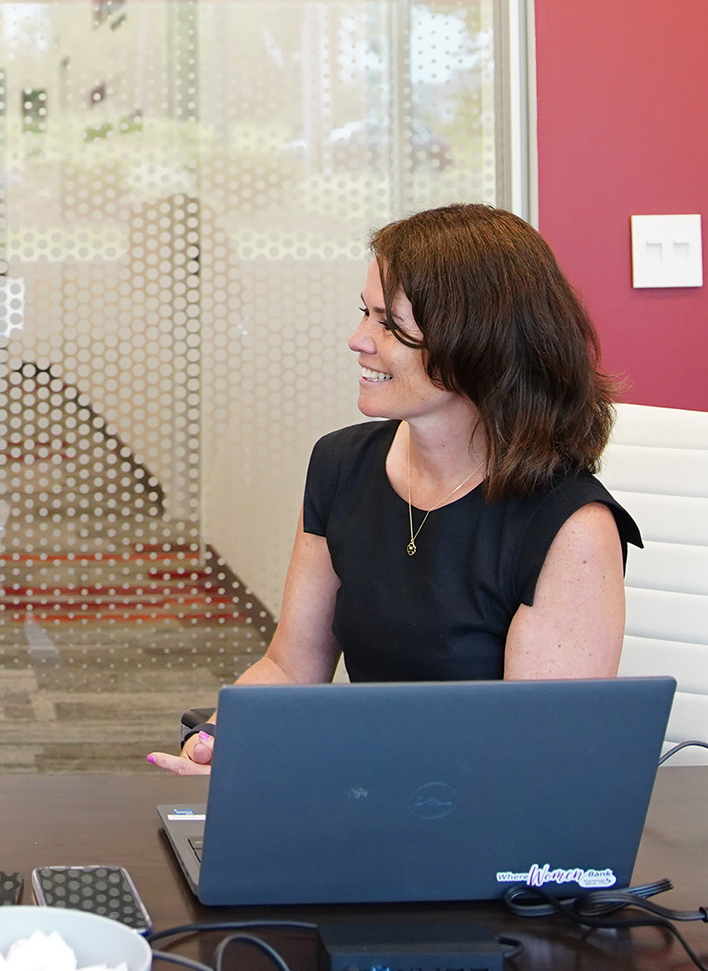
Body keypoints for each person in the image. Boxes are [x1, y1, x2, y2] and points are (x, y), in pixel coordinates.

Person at [149, 203, 639, 774]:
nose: (358, 339)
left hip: (474, 822)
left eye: (389, 323)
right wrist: (224, 737)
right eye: (366, 314)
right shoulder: (341, 465)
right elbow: (289, 669)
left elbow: (531, 760)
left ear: (475, 342)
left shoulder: (569, 527)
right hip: (367, 792)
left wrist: (326, 766)